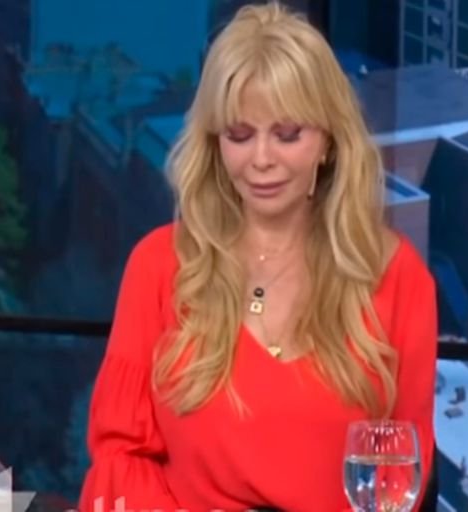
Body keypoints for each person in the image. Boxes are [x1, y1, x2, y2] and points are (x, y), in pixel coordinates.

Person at [78, 2, 437, 511]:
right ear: (215, 143)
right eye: (240, 135)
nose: (261, 159)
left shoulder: (398, 278)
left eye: (287, 135)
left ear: (328, 143)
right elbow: (120, 458)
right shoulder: (159, 266)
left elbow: (401, 476)